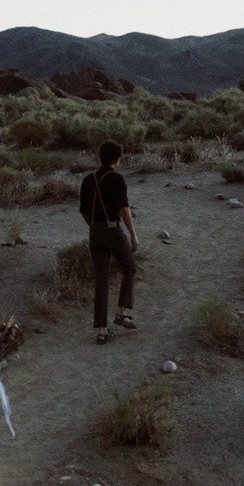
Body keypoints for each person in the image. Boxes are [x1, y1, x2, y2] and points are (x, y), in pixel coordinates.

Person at [79, 139, 138, 345]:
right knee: (129, 268)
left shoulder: (88, 179)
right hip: (113, 229)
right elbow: (124, 209)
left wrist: (96, 227)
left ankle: (102, 331)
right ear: (116, 159)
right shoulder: (117, 179)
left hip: (94, 232)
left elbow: (84, 212)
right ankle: (122, 313)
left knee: (101, 281)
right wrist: (132, 234)